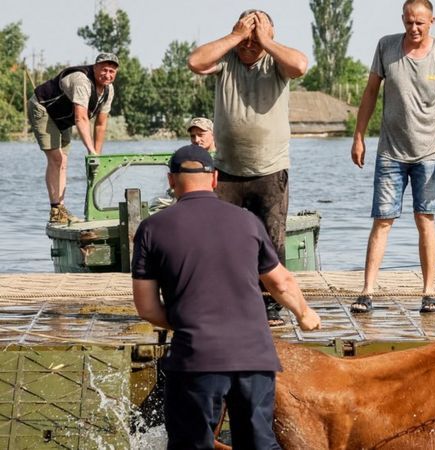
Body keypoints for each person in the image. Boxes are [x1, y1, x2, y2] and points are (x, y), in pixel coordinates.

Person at [131, 144, 320, 449]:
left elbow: (147, 307)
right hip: (254, 356)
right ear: (215, 178)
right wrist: (305, 314)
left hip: (196, 357)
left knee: (192, 444)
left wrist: (190, 323)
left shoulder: (152, 228)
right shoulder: (247, 222)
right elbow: (281, 283)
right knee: (259, 443)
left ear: (171, 180)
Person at [188, 9, 308, 327]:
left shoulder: (276, 63)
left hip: (270, 170)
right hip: (227, 170)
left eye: (257, 36)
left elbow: (299, 65)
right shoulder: (226, 61)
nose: (250, 43)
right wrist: (236, 36)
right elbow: (195, 62)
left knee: (271, 240)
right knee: (218, 240)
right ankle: (220, 302)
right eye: (246, 35)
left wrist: (265, 40)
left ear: (271, 34)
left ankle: (270, 307)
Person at [350, 0, 435, 314]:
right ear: (403, 19)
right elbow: (370, 92)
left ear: (431, 22)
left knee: (425, 219)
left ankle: (429, 292)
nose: (414, 28)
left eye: (420, 23)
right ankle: (367, 291)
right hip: (390, 152)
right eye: (410, 22)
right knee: (382, 221)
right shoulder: (386, 47)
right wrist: (359, 136)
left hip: (429, 154)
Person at [28, 52, 119, 224]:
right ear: (95, 67)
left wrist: (97, 155)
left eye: (111, 72)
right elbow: (81, 118)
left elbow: (100, 124)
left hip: (62, 117)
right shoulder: (82, 81)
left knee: (63, 161)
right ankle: (56, 209)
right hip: (43, 108)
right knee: (57, 159)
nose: (107, 75)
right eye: (104, 70)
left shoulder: (109, 90)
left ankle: (60, 209)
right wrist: (90, 150)